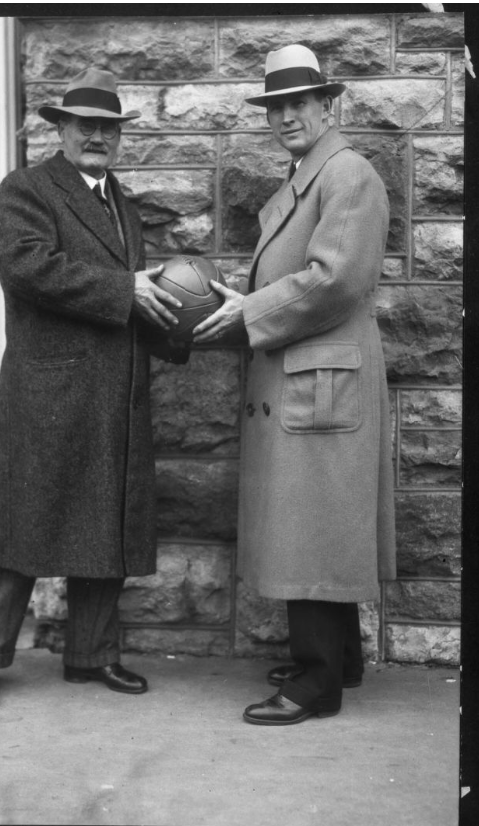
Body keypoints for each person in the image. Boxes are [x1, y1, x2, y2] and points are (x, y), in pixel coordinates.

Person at [0, 67, 186, 710]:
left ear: (119, 137)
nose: (97, 137)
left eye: (108, 127)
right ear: (59, 129)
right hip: (47, 392)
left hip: (115, 392)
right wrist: (127, 289)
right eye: (84, 125)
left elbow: (139, 296)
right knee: (15, 530)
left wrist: (182, 328)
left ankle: (91, 655)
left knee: (105, 528)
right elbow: (30, 267)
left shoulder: (126, 205)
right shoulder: (25, 190)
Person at [194, 44, 396, 725]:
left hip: (322, 380)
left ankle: (316, 683)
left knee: (312, 525)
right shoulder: (307, 178)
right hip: (309, 377)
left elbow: (336, 279)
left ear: (326, 104)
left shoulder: (348, 176)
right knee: (312, 520)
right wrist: (242, 296)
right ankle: (338, 660)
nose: (286, 116)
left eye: (298, 103)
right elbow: (295, 275)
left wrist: (248, 310)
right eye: (275, 106)